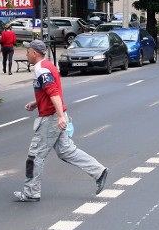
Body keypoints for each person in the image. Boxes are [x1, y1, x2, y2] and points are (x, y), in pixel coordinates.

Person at [14, 39, 108, 202]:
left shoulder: (41, 69)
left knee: (35, 156)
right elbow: (48, 92)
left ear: (35, 53)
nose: (26, 54)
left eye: (28, 51)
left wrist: (58, 116)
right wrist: (37, 103)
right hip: (54, 115)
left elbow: (54, 93)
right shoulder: (47, 66)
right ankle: (99, 171)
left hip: (50, 118)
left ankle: (31, 191)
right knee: (67, 151)